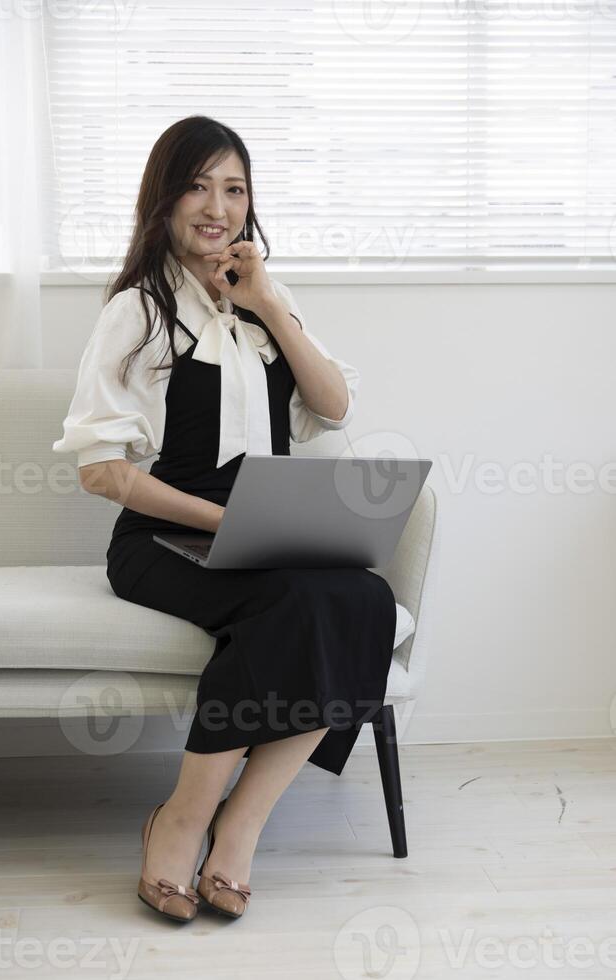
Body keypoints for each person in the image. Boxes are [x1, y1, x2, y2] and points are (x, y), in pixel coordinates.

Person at [52, 115, 398, 921]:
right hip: (161, 537)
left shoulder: (263, 305)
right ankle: (181, 819)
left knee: (363, 598)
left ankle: (242, 824)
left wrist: (271, 302)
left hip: (260, 537)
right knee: (288, 604)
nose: (218, 206)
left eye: (234, 188)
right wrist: (218, 515)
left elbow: (334, 407)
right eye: (198, 186)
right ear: (165, 201)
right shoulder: (137, 311)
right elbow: (104, 472)